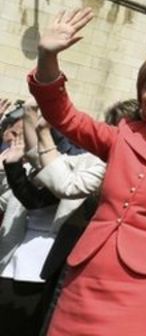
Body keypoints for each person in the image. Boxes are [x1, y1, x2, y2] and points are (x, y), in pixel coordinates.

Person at [26, 9, 146, 336]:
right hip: (84, 282)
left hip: (144, 292)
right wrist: (47, 57)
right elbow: (62, 114)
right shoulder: (121, 135)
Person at [0, 98, 106, 336]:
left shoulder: (90, 164)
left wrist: (34, 128)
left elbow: (43, 193)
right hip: (12, 257)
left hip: (43, 264)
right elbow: (8, 198)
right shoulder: (44, 161)